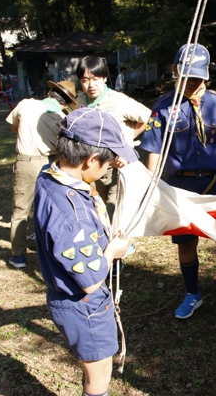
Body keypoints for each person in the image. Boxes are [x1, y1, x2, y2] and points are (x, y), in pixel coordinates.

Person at [139, 43, 216, 319]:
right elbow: (154, 149)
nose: (193, 83)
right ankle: (192, 293)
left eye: (198, 78)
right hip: (182, 187)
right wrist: (151, 183)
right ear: (174, 71)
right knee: (186, 241)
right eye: (187, 77)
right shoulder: (163, 107)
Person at [33, 107, 136, 396]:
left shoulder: (50, 175)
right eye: (106, 164)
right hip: (85, 305)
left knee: (94, 370)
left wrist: (112, 156)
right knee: (99, 374)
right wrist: (113, 251)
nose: (109, 169)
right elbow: (90, 280)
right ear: (90, 159)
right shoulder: (72, 215)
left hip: (71, 300)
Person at [6, 80, 77, 268]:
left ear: (49, 92)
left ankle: (18, 256)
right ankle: (51, 249)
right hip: (52, 163)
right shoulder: (63, 117)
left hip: (27, 161)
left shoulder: (25, 104)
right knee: (50, 209)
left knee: (21, 210)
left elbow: (14, 127)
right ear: (67, 103)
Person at [75, 56, 151, 220]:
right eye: (85, 80)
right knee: (96, 207)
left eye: (95, 79)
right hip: (91, 165)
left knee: (114, 211)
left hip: (117, 164)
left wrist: (128, 139)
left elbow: (147, 117)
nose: (91, 85)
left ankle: (124, 245)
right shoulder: (80, 101)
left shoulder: (118, 100)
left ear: (104, 78)